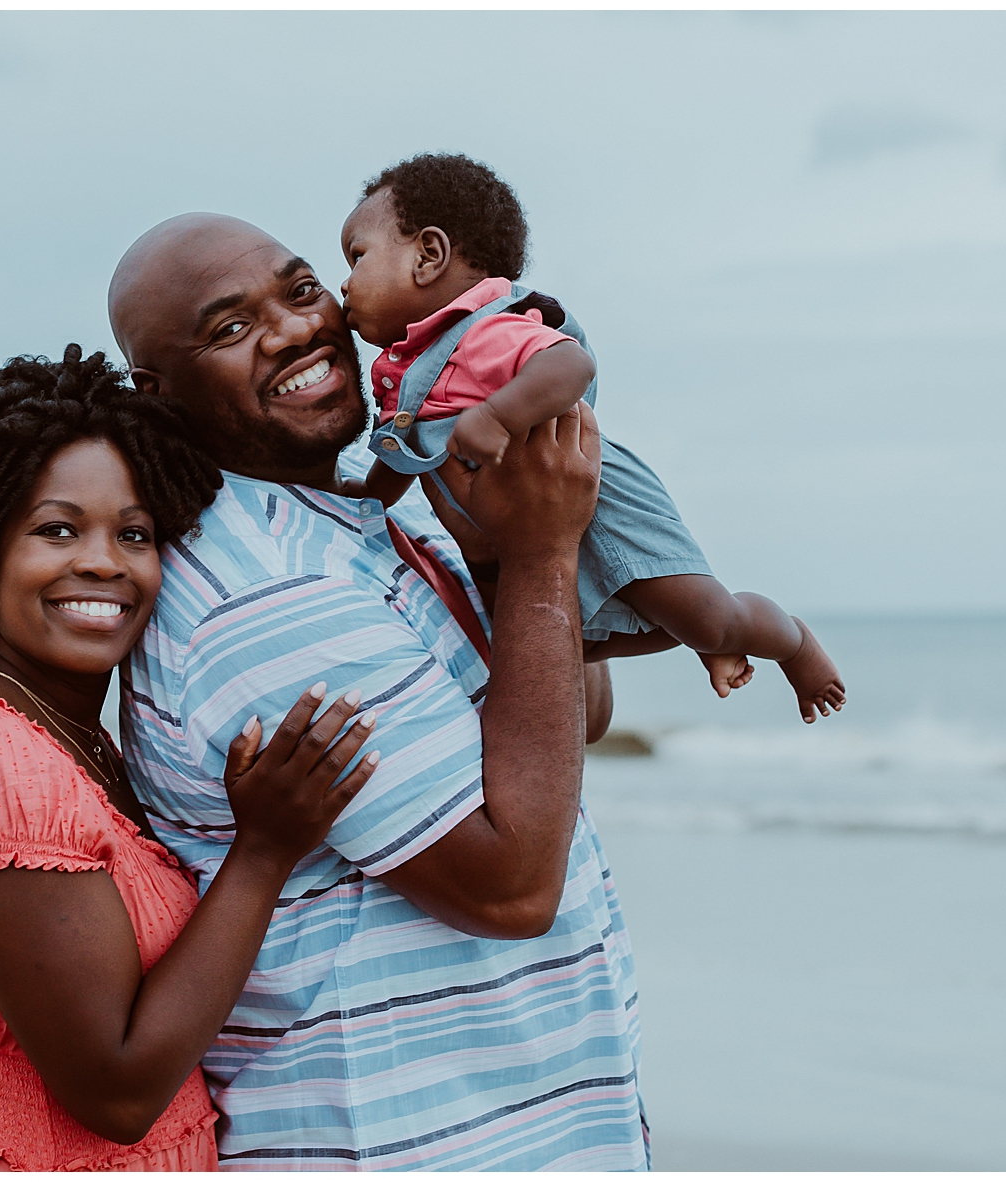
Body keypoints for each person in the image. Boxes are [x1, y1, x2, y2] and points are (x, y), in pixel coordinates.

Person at [107, 215, 646, 1170]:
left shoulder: (364, 513)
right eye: (230, 329)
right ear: (159, 395)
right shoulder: (263, 591)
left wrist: (503, 548)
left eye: (302, 289)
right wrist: (541, 548)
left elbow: (576, 718)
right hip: (405, 1143)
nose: (292, 330)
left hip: (528, 1127)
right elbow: (513, 883)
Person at [0, 345, 386, 1171]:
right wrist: (262, 852)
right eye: (57, 529)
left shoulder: (72, 741)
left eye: (136, 533)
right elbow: (115, 1091)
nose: (104, 563)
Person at [343, 152, 845, 724]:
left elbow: (569, 366)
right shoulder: (402, 373)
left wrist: (497, 416)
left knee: (708, 617)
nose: (344, 282)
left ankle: (790, 639)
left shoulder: (482, 329)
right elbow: (401, 454)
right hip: (529, 529)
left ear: (428, 256)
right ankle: (702, 638)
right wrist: (364, 501)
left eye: (357, 257)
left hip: (599, 505)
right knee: (567, 645)